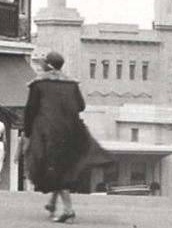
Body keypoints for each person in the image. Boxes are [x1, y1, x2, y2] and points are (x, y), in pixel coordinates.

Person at [24, 51, 110, 224]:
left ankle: (69, 210)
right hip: (70, 129)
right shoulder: (71, 83)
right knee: (60, 165)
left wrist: (28, 133)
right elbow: (80, 105)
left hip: (47, 130)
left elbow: (30, 110)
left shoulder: (39, 84)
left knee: (54, 167)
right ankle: (52, 202)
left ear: (47, 64)